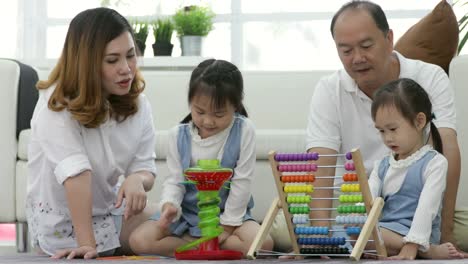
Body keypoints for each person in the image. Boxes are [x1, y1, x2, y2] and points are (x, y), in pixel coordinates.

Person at [272, 0, 465, 257]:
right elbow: (322, 163)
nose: (358, 58)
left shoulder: (429, 77)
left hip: (418, 209)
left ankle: (413, 243)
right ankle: (406, 246)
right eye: (346, 50)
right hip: (352, 212)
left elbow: (447, 149)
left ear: (389, 38)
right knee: (282, 234)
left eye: (366, 46)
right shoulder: (330, 89)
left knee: (459, 234)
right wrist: (318, 238)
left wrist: (446, 234)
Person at [26, 7, 157, 259]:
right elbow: (76, 175)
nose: (126, 69)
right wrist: (88, 246)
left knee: (186, 223)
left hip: (111, 214)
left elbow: (145, 168)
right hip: (64, 227)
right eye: (112, 60)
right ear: (85, 63)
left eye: (130, 56)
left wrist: (137, 179)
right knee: (171, 231)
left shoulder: (138, 103)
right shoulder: (55, 105)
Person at [129, 59, 274, 257]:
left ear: (236, 105)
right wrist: (169, 206)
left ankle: (198, 246)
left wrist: (227, 227)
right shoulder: (177, 136)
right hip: (188, 217)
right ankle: (204, 247)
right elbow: (174, 182)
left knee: (263, 243)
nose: (207, 121)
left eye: (219, 114)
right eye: (199, 111)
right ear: (190, 102)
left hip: (229, 217)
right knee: (139, 240)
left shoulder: (244, 130)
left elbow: (242, 182)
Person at [368, 78, 463, 259]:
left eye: (393, 129)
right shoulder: (382, 166)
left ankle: (422, 248)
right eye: (381, 131)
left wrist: (412, 243)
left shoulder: (434, 163)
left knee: (369, 234)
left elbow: (427, 208)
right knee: (354, 230)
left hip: (420, 232)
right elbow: (369, 201)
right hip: (386, 229)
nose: (387, 138)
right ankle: (419, 251)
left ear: (419, 121)